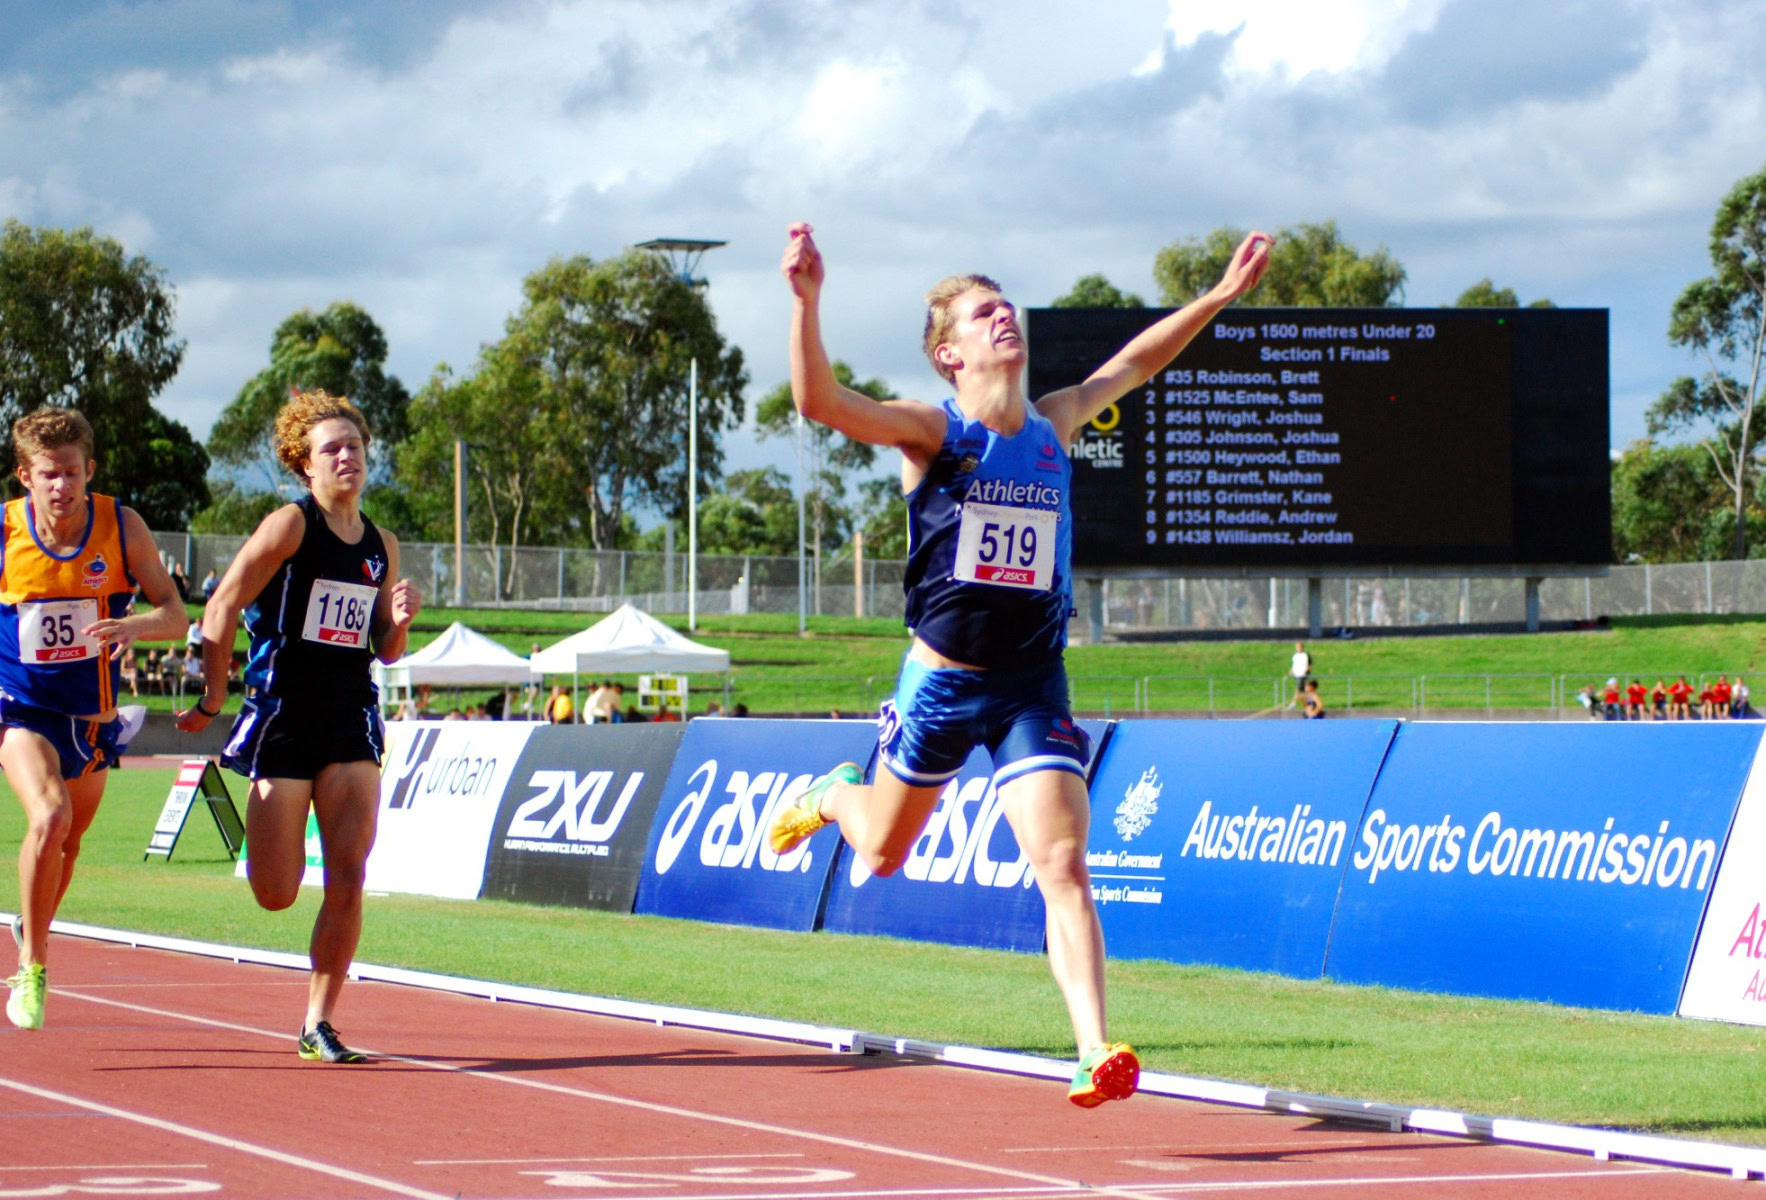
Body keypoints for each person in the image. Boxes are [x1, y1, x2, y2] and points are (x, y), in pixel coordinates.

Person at [766, 220, 1272, 1108]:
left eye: (1007, 308)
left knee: (1066, 864)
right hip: (941, 685)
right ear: (948, 353)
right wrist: (807, 303)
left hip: (1033, 686)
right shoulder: (932, 433)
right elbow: (819, 403)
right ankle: (833, 792)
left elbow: (1137, 364)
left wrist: (1219, 298)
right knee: (881, 852)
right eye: (982, 313)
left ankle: (1092, 1048)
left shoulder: (1055, 424)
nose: (1005, 320)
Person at [175, 389, 419, 1064]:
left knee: (349, 872)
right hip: (283, 717)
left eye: (355, 447)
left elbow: (385, 649)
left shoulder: (382, 545)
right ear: (304, 466)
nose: (346, 458)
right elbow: (223, 604)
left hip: (351, 719)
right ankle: (301, 964)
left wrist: (398, 618)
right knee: (277, 893)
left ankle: (320, 1021)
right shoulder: (289, 525)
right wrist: (215, 693)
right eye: (331, 449)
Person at [4, 408, 187, 1030]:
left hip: (91, 715)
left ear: (90, 471)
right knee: (49, 815)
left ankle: (33, 924)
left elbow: (175, 614)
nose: (62, 486)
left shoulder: (119, 525)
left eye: (72, 473)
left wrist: (134, 626)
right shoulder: (4, 532)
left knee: (71, 842)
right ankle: (33, 962)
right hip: (19, 707)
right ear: (26, 476)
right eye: (49, 474)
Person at [1288, 642, 1312, 708]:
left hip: (1303, 675)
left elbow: (1310, 664)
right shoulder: (1295, 655)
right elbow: (1294, 664)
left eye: (1299, 647)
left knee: (1298, 688)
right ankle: (1307, 704)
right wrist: (1291, 671)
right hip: (1297, 674)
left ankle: (1294, 701)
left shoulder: (1305, 655)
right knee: (1303, 691)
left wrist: (1306, 670)